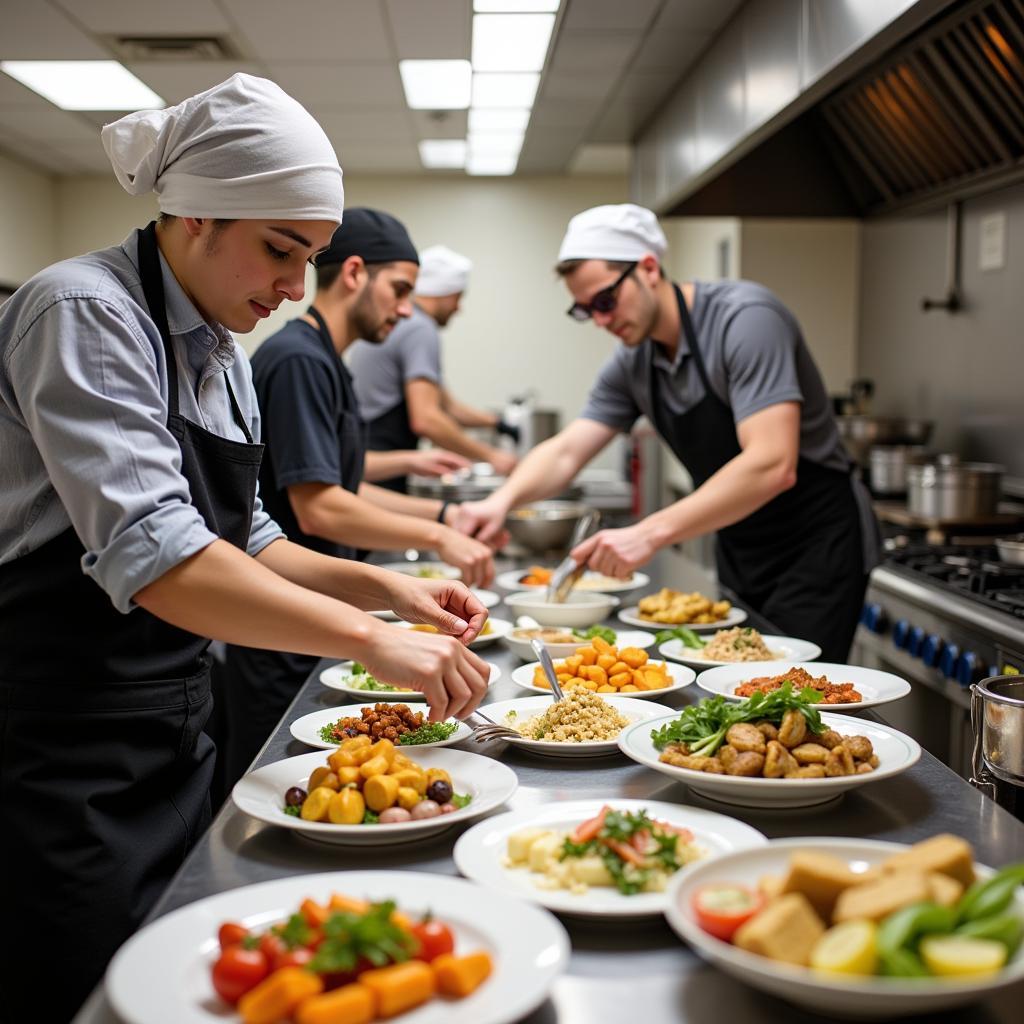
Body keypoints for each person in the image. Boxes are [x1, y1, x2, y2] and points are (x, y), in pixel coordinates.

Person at [0, 75, 489, 1024]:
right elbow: (161, 555)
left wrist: (392, 592)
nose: (293, 288)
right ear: (192, 215)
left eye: (307, 257)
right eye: (277, 250)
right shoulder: (86, 312)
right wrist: (369, 639)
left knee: (180, 980)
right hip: (64, 742)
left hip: (174, 730)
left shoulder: (220, 350)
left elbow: (250, 535)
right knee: (87, 991)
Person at [456, 204, 879, 662]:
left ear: (649, 268)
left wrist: (649, 534)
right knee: (739, 684)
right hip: (741, 544)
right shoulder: (634, 360)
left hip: (816, 544)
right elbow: (565, 451)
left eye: (604, 301)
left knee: (793, 697)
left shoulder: (746, 320)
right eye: (585, 310)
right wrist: (499, 503)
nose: (600, 320)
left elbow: (773, 463)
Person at [217, 211, 498, 787]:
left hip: (318, 609)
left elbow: (341, 483)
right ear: (353, 273)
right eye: (399, 290)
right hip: (283, 628)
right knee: (286, 788)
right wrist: (438, 534)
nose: (405, 309)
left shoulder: (326, 362)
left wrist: (443, 516)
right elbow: (319, 507)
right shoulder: (299, 360)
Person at [348, 244, 518, 491]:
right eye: (458, 297)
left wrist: (495, 422)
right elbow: (426, 419)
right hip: (382, 464)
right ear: (445, 292)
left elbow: (447, 405)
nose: (458, 308)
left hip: (366, 456)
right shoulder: (419, 328)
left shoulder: (403, 324)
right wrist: (492, 456)